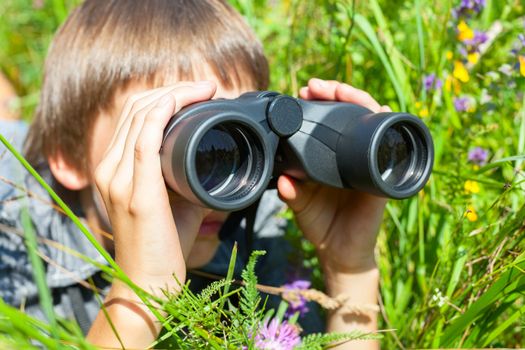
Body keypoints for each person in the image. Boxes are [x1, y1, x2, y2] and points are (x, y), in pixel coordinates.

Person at [0, 1, 390, 349]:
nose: (212, 182)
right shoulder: (16, 233)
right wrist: (143, 290)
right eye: (177, 136)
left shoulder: (257, 216)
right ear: (69, 156)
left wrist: (349, 269)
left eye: (235, 136)